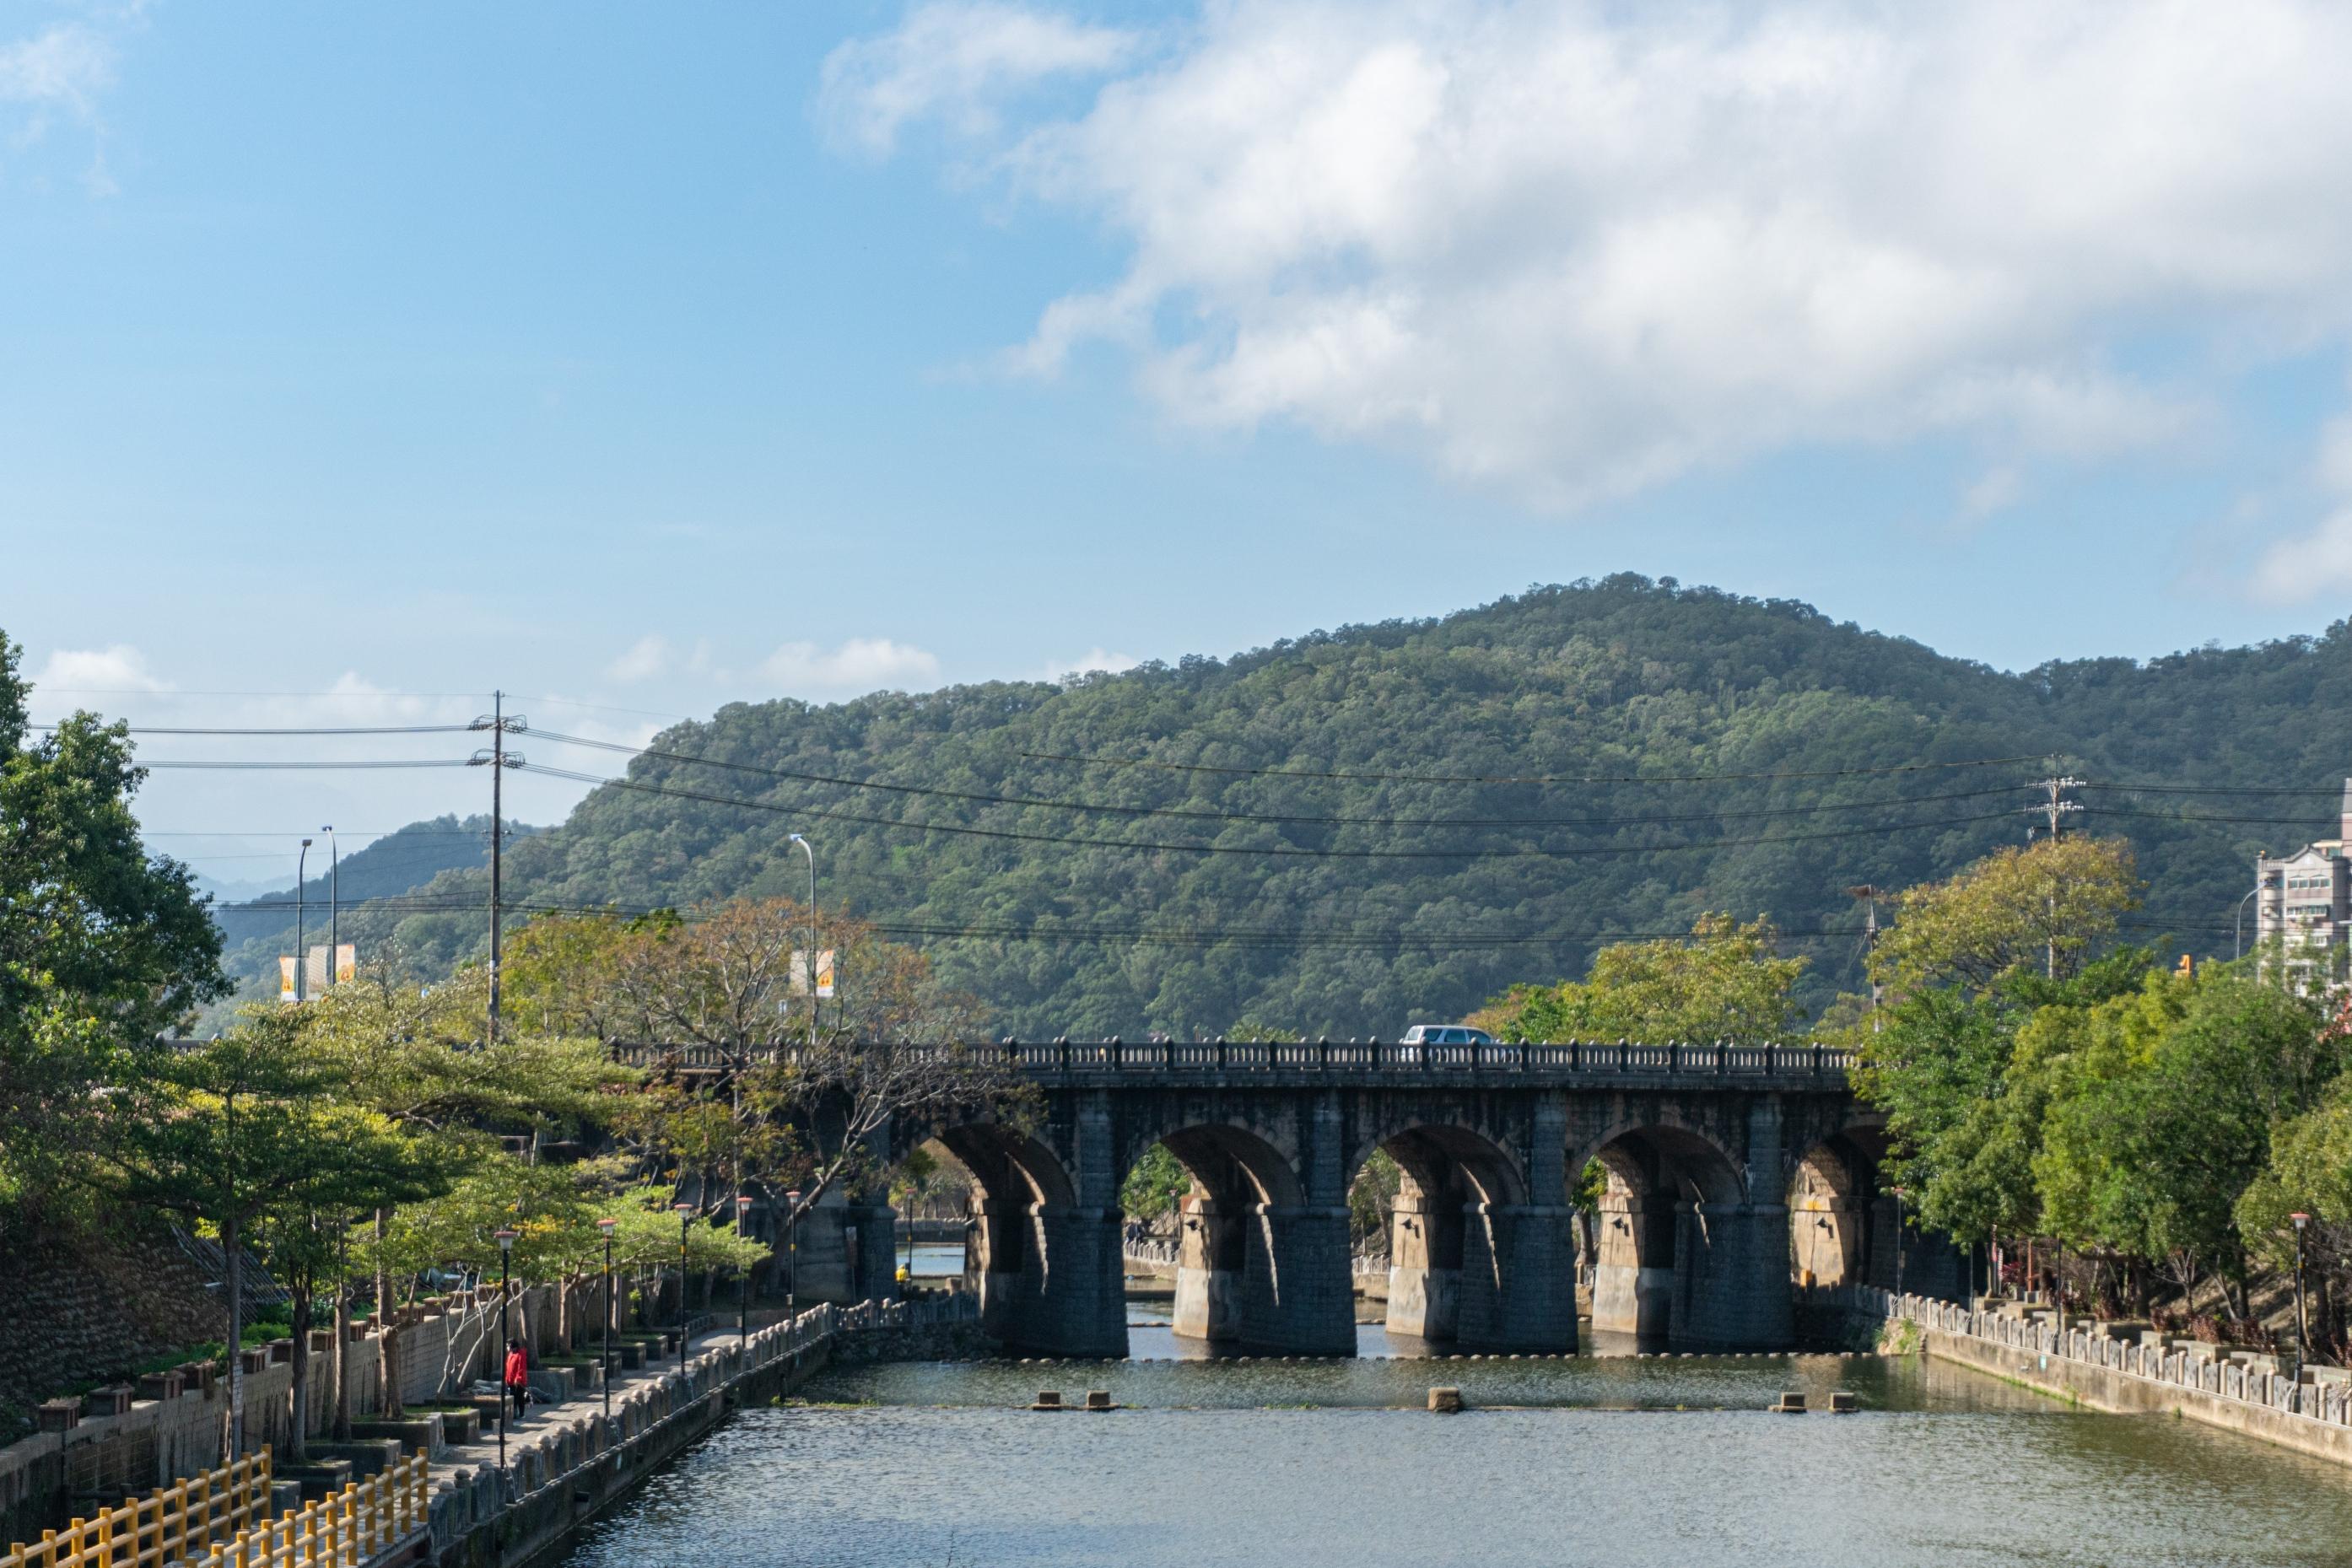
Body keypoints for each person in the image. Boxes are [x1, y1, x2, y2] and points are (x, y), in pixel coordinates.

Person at [504, 1338, 531, 1420]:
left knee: (520, 1397)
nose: (507, 1348)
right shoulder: (511, 1354)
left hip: (518, 1381)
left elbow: (521, 1368)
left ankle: (521, 1414)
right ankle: (514, 1413)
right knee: (513, 1397)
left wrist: (518, 1378)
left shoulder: (520, 1354)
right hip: (511, 1380)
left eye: (508, 1346)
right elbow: (508, 1367)